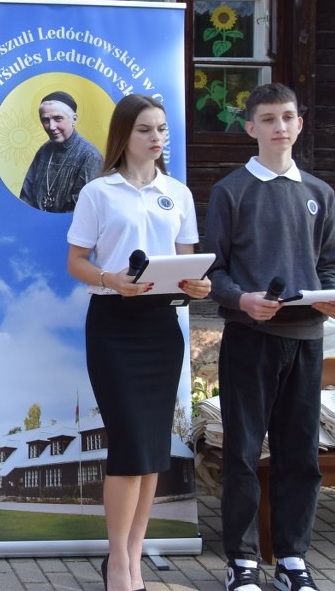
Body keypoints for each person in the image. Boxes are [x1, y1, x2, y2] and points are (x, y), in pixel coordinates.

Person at [65, 94, 210, 591]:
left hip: (161, 327)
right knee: (129, 446)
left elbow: (188, 262)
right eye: (146, 129)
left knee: (151, 452)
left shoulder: (178, 193)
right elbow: (76, 262)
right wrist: (110, 279)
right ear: (124, 135)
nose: (157, 138)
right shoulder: (98, 192)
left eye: (162, 129)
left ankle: (133, 556)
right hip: (113, 324)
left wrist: (199, 285)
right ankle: (117, 562)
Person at [206, 83, 335, 591]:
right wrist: (241, 299)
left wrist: (332, 298)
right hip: (250, 338)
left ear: (299, 124)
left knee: (300, 455)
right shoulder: (230, 191)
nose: (279, 127)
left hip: (307, 339)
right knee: (243, 453)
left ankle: (291, 559)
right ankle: (242, 562)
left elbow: (328, 267)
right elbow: (213, 271)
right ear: (250, 127)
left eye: (287, 117)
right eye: (267, 119)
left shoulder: (320, 194)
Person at [20, 90, 103, 213]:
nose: (51, 127)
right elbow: (26, 199)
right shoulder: (44, 150)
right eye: (45, 120)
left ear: (74, 119)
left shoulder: (90, 156)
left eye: (58, 118)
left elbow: (82, 211)